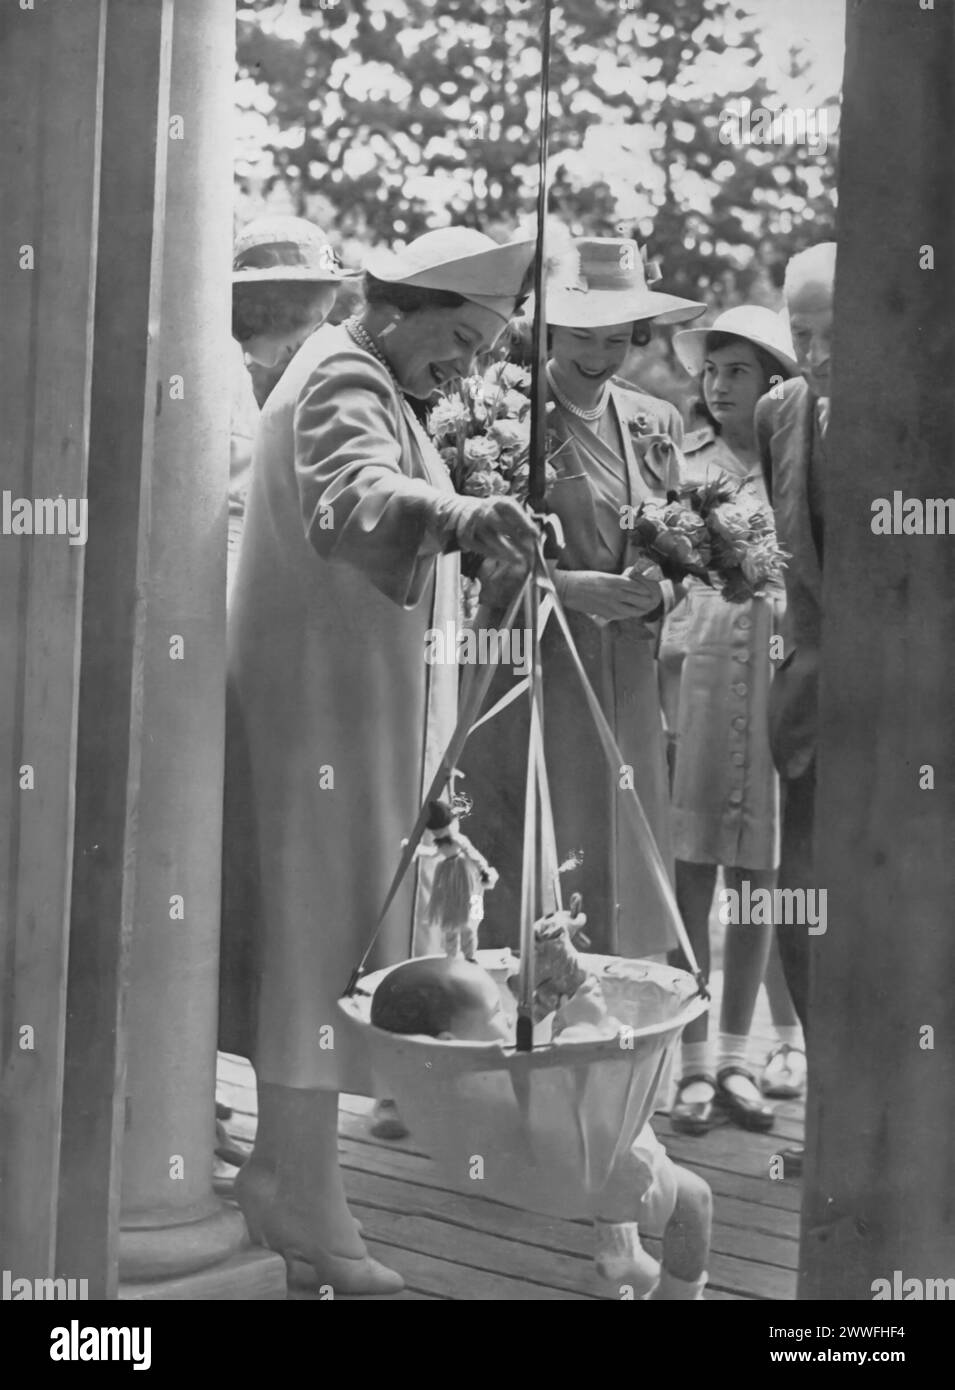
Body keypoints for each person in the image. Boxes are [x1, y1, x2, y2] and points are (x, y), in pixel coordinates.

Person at [219, 226, 539, 1295]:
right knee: (321, 944)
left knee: (335, 942)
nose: (473, 368)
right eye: (464, 337)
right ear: (401, 306)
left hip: (348, 715)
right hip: (318, 717)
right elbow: (350, 493)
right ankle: (297, 1187)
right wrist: (462, 511)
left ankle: (291, 1176)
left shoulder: (375, 376)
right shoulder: (344, 372)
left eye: (488, 350)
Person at [461, 237, 705, 960]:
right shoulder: (500, 414)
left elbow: (682, 534)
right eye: (579, 337)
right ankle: (523, 1010)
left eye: (614, 338)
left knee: (622, 845)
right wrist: (565, 588)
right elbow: (471, 553)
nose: (597, 355)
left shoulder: (654, 419)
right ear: (547, 332)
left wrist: (660, 580)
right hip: (529, 666)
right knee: (539, 838)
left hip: (625, 665)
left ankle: (622, 1013)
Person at [372, 953, 712, 1300]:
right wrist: (588, 1025)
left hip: (519, 1173)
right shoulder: (507, 1088)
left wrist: (541, 1020)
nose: (508, 1017)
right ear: (450, 1042)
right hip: (586, 1171)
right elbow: (592, 1081)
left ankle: (620, 1250)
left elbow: (517, 1062)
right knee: (694, 1201)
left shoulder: (437, 1079)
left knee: (604, 1152)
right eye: (496, 1013)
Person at [661, 306, 802, 1135]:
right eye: (710, 371)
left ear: (773, 382)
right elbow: (659, 570)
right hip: (701, 669)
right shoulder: (681, 460)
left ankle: (741, 1057)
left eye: (737, 371)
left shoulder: (797, 464)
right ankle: (690, 1064)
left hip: (776, 676)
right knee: (691, 866)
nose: (717, 386)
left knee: (759, 872)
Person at [754, 241, 836, 1173]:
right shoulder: (779, 412)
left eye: (830, 330)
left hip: (914, 718)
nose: (810, 355)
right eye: (798, 329)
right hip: (810, 709)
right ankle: (829, 1097)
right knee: (805, 911)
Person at [228, 216, 354, 598]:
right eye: (308, 322)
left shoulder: (232, 364)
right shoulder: (220, 370)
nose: (306, 342)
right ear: (273, 308)